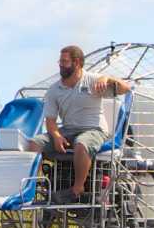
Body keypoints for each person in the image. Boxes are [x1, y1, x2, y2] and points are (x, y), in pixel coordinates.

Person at [31, 44, 132, 202]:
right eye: (60, 61)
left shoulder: (93, 80)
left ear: (76, 63)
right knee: (34, 143)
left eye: (64, 61)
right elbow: (50, 121)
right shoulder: (54, 90)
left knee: (82, 144)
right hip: (68, 130)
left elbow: (126, 88)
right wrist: (57, 136)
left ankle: (77, 188)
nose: (60, 65)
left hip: (94, 129)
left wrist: (107, 79)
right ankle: (35, 186)